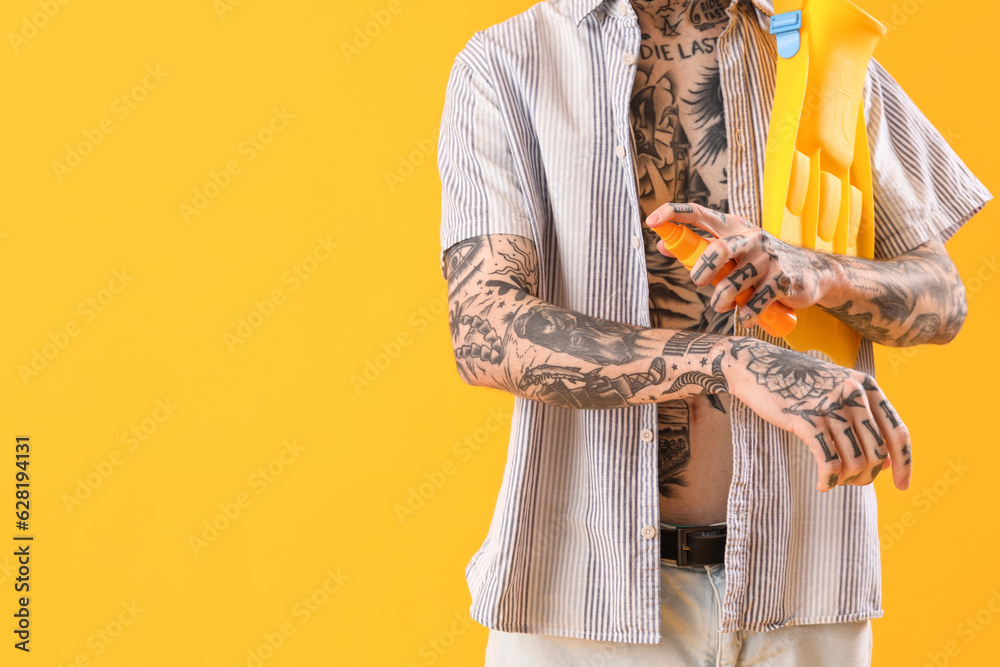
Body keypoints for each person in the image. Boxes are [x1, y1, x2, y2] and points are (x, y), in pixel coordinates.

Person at [437, 0, 991, 664]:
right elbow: (484, 330)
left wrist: (819, 271)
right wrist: (728, 361)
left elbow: (942, 297)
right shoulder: (508, 64)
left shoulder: (822, 52)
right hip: (583, 600)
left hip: (802, 591)